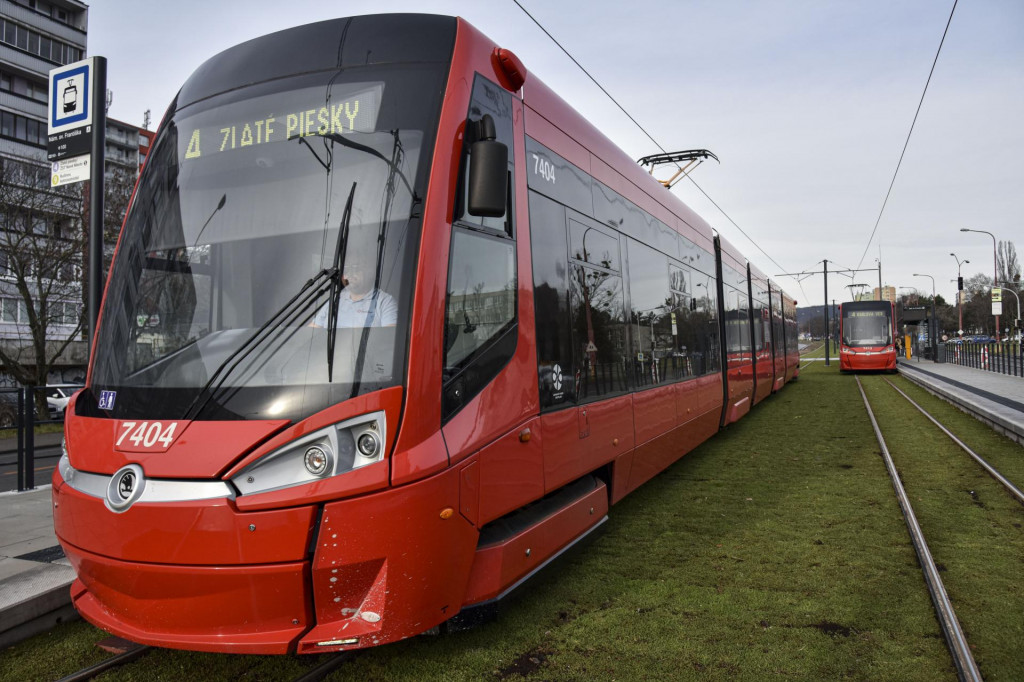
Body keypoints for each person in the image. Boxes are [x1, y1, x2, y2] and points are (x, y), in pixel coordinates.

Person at [311, 262, 397, 328]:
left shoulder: (385, 302)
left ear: (369, 271)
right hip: (329, 351)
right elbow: (312, 330)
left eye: (356, 269)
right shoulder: (335, 298)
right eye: (346, 271)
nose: (350, 275)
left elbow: (389, 338)